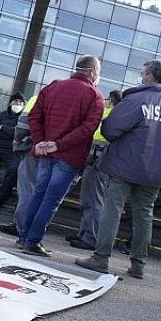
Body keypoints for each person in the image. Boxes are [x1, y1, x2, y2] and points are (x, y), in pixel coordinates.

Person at [76, 60, 161, 279]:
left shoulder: (136, 100)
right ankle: (138, 265)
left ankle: (100, 258)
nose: (140, 75)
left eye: (142, 72)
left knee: (112, 209)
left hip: (126, 166)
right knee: (144, 214)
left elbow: (110, 130)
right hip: (155, 173)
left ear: (149, 77)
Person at [21, 56, 104, 257]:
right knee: (51, 199)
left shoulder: (53, 87)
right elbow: (88, 129)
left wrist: (41, 141)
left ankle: (24, 237)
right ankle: (32, 241)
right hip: (69, 155)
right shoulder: (95, 96)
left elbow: (34, 116)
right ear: (93, 71)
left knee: (38, 193)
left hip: (44, 153)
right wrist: (58, 145)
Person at [67, 90, 122, 250]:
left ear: (111, 100)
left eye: (106, 99)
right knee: (91, 198)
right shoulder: (118, 115)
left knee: (92, 198)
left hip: (97, 156)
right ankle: (85, 233)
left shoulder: (110, 113)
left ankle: (90, 237)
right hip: (100, 156)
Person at [0, 94, 37, 237]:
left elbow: (21, 128)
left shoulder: (38, 98)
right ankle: (30, 229)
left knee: (26, 190)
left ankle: (20, 226)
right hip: (55, 153)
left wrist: (19, 145)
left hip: (33, 148)